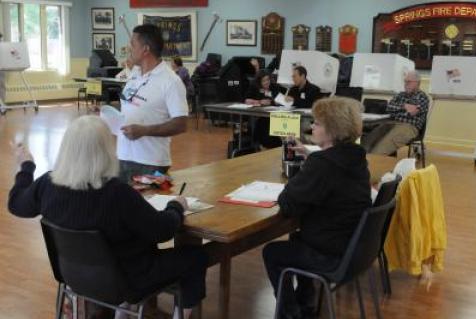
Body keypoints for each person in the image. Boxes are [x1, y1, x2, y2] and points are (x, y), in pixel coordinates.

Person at [8, 116, 208, 319]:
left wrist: (26, 166)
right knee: (196, 256)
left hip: (73, 277)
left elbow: (16, 204)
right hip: (127, 281)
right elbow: (162, 231)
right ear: (106, 151)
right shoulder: (117, 193)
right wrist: (176, 207)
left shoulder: (47, 185)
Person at [262, 97, 372, 319]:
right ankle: (306, 303)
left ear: (333, 129)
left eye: (317, 123)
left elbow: (288, 205)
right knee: (297, 240)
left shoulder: (323, 165)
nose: (312, 126)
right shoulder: (355, 158)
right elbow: (331, 174)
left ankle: (290, 313)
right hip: (355, 250)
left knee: (272, 252)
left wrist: (305, 171)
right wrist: (312, 157)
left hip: (332, 253)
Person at [118, 24, 189, 183]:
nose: (129, 48)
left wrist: (144, 130)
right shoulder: (134, 75)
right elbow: (130, 106)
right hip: (122, 157)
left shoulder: (171, 81)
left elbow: (181, 124)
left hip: (150, 163)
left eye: (133, 45)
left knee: (147, 207)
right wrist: (106, 114)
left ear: (145, 49)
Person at [361, 70, 429, 156]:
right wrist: (404, 106)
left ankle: (374, 165)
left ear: (418, 83)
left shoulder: (422, 97)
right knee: (366, 143)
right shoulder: (400, 95)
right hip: (391, 123)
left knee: (379, 150)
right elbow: (389, 107)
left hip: (408, 127)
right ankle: (362, 163)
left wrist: (397, 110)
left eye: (409, 82)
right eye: (405, 81)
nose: (406, 84)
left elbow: (411, 113)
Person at [244, 70, 284, 148]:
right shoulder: (254, 87)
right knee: (260, 123)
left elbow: (279, 99)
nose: (267, 82)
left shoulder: (274, 87)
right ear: (259, 82)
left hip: (273, 116)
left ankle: (273, 144)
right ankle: (258, 143)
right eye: (264, 80)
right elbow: (246, 100)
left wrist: (275, 102)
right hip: (258, 115)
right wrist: (259, 101)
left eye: (268, 80)